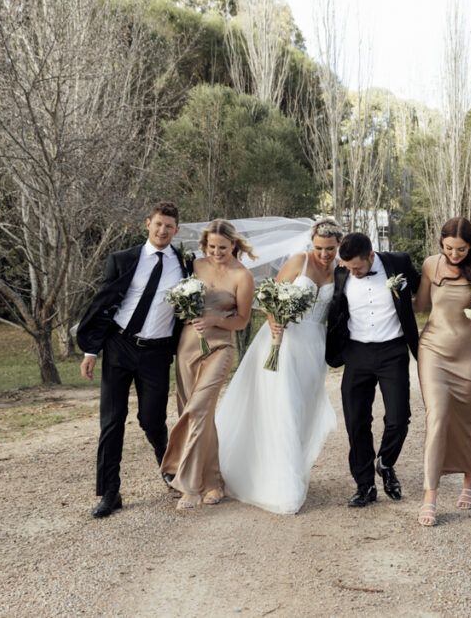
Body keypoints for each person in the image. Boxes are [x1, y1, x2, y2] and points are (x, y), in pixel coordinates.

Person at [215, 218, 342, 514]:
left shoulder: (340, 269)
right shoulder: (299, 261)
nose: (325, 254)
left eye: (331, 249)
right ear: (312, 243)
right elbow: (271, 299)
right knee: (283, 408)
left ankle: (291, 469)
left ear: (338, 246)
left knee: (303, 411)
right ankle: (280, 486)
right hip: (283, 342)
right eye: (320, 248)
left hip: (314, 346)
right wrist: (276, 327)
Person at [77, 201, 191, 519]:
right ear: (147, 224)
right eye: (158, 224)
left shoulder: (184, 264)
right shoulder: (123, 260)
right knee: (112, 422)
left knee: (152, 419)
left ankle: (170, 472)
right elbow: (103, 305)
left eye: (169, 226)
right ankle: (110, 493)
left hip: (156, 351)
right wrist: (91, 351)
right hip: (119, 346)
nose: (163, 230)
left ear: (176, 230)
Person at [161, 220, 254, 510]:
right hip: (189, 344)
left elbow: (242, 320)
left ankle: (188, 485)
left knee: (198, 408)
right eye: (212, 246)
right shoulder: (195, 266)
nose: (216, 251)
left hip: (220, 346)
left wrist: (214, 320)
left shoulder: (243, 276)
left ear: (233, 245)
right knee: (198, 413)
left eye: (222, 247)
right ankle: (213, 482)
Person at [412, 217, 471, 526]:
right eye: (448, 248)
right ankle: (430, 495)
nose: (454, 254)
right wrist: (390, 295)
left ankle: (470, 480)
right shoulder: (430, 266)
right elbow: (420, 306)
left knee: (466, 418)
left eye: (461, 249)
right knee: (437, 416)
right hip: (434, 350)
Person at [325, 233, 421, 507]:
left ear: (371, 256)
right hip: (356, 352)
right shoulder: (342, 272)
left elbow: (424, 291)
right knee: (356, 422)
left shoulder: (398, 262)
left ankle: (386, 462)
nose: (352, 272)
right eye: (347, 267)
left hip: (392, 351)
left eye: (357, 267)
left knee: (399, 417)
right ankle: (365, 485)